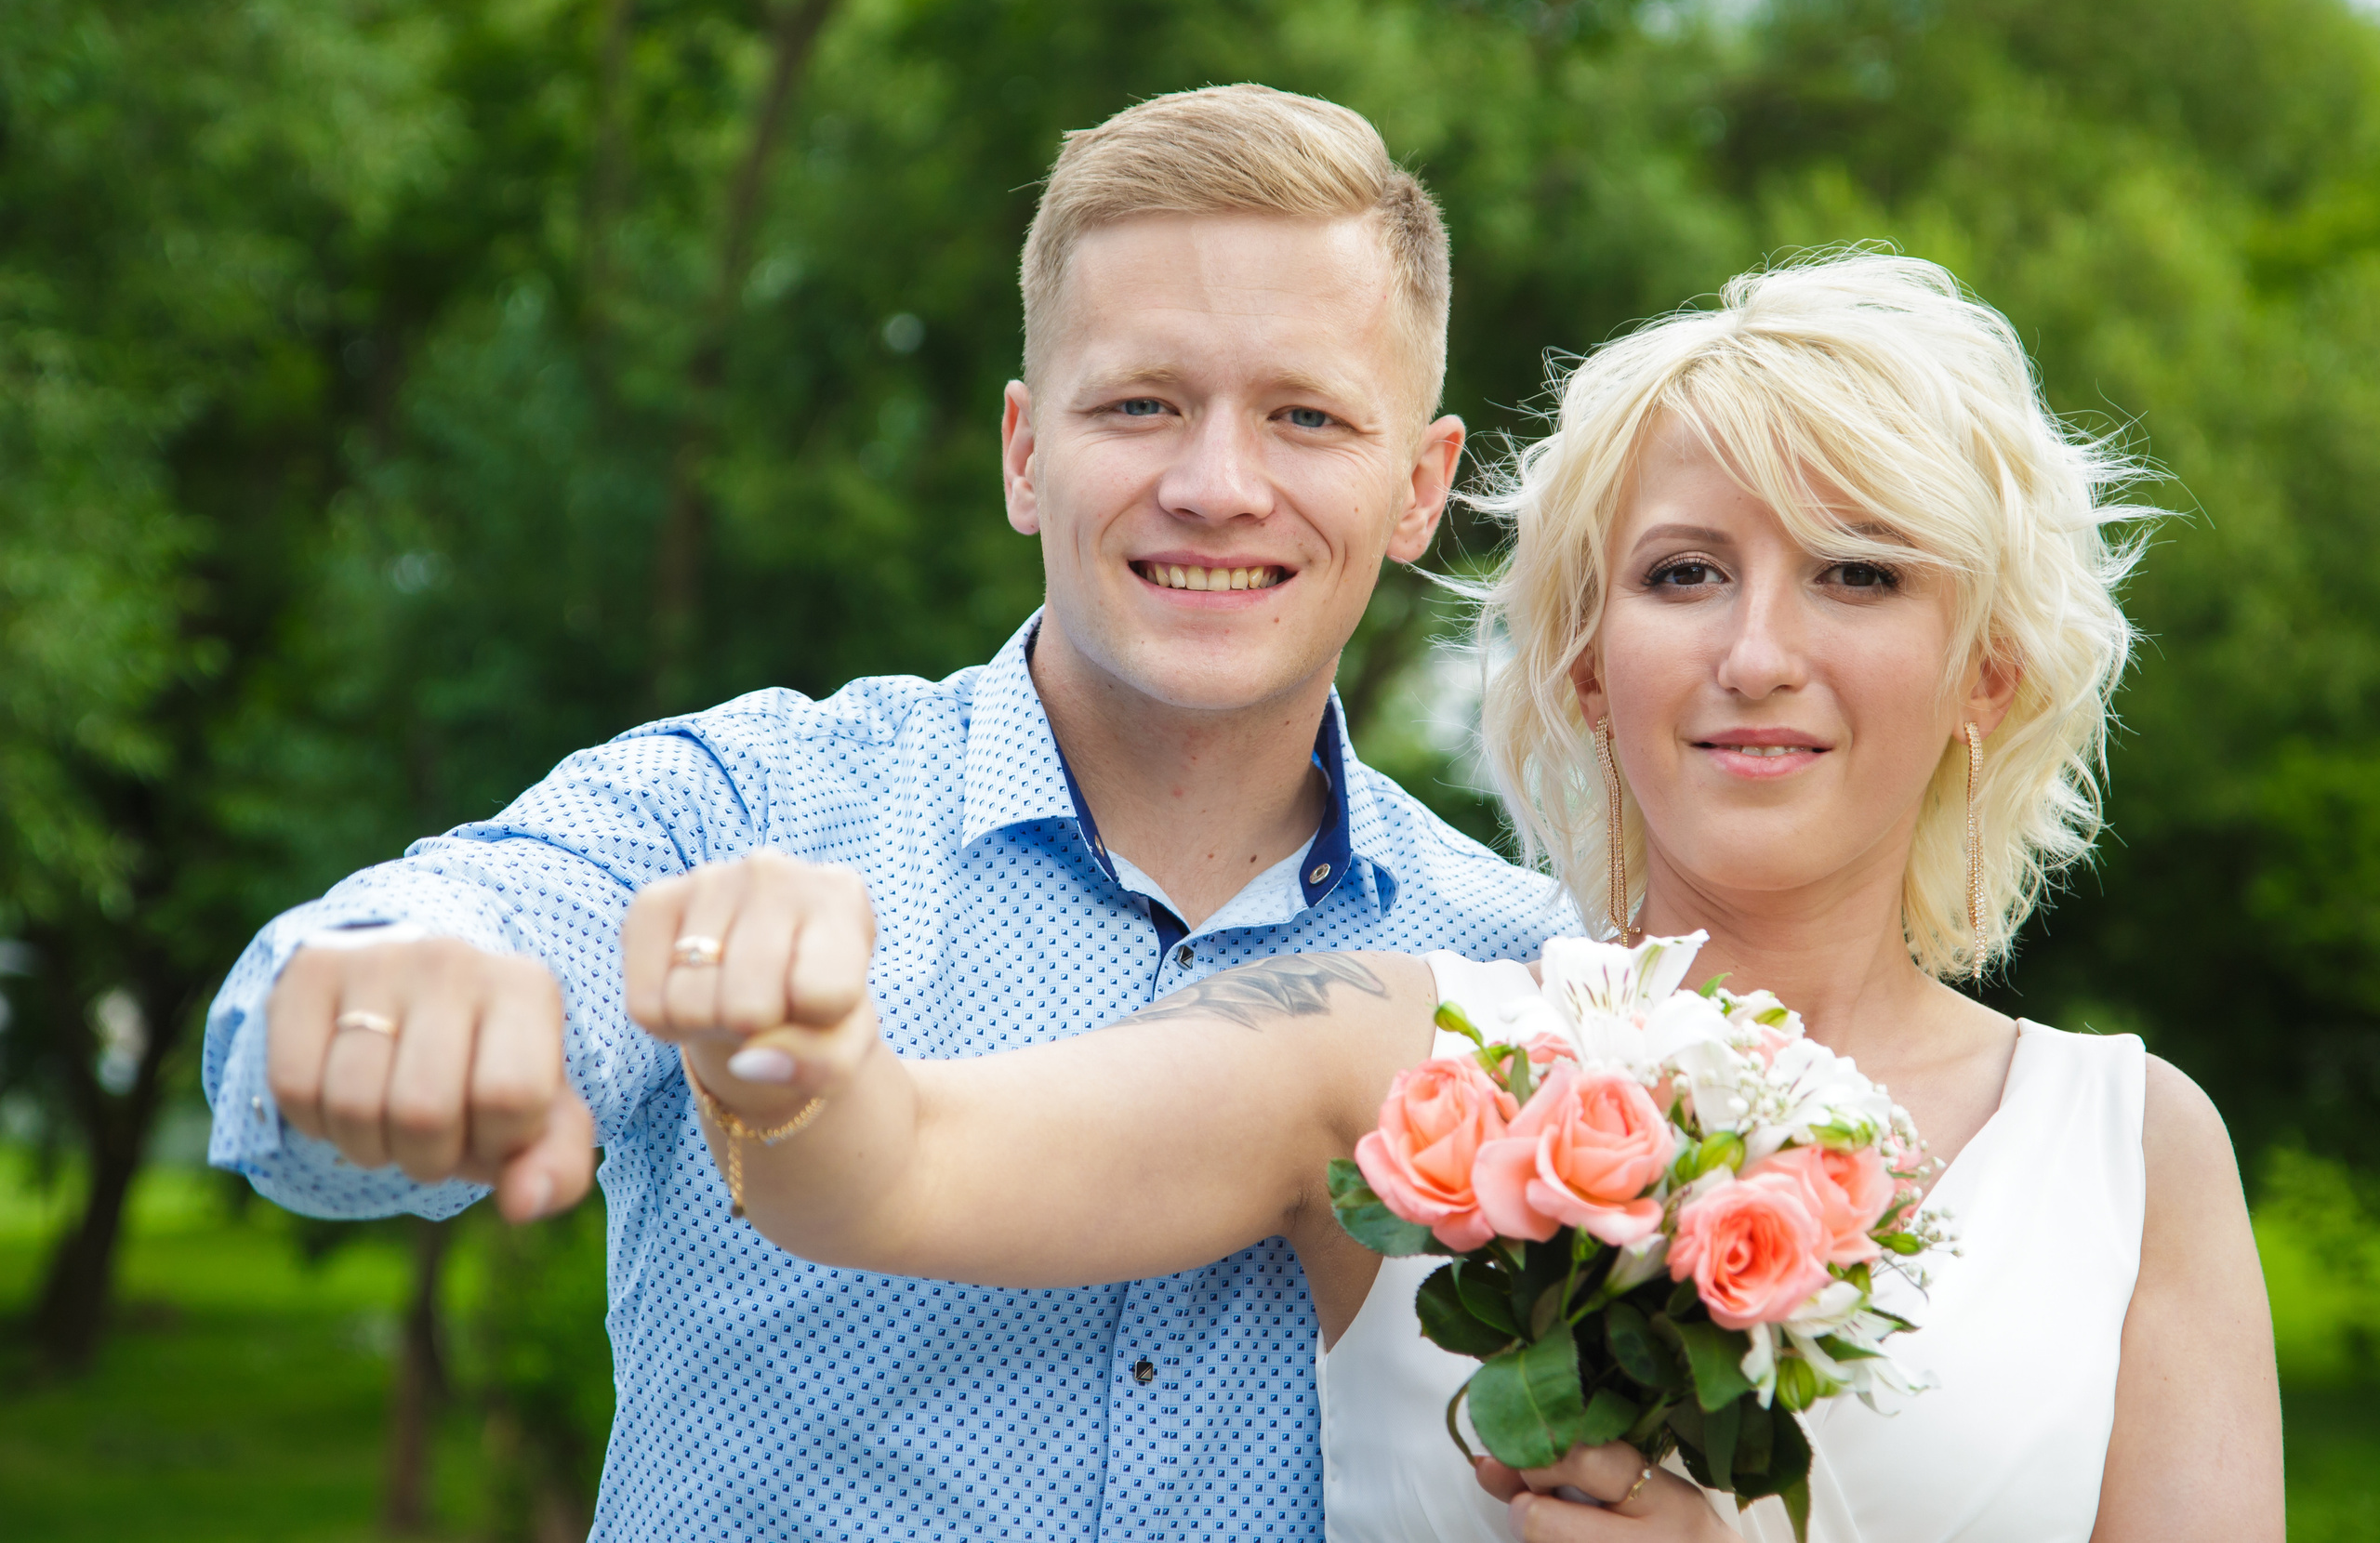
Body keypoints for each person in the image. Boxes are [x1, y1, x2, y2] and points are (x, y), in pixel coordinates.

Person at [628, 253, 2285, 1542]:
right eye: (1682, 574)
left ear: (1985, 669)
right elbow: (901, 1169)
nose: (1757, 654)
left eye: (1859, 573)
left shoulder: (2138, 1151)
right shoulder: (1396, 1043)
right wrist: (788, 1046)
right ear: (1584, 658)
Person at [200, 85, 1579, 1539]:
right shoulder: (739, 810)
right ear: (1024, 453)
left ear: (1419, 486)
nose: (1217, 486)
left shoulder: (1526, 969)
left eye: (1304, 415)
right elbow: (441, 949)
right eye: (1138, 405)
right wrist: (381, 1007)